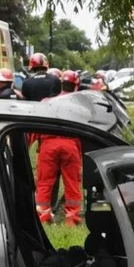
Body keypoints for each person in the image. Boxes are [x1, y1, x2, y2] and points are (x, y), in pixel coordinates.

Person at [35, 70, 83, 226]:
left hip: (48, 145)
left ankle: (43, 216)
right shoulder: (79, 105)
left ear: (61, 84)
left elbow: (36, 126)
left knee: (44, 183)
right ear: (76, 86)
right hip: (70, 145)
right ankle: (72, 218)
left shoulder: (47, 101)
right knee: (72, 184)